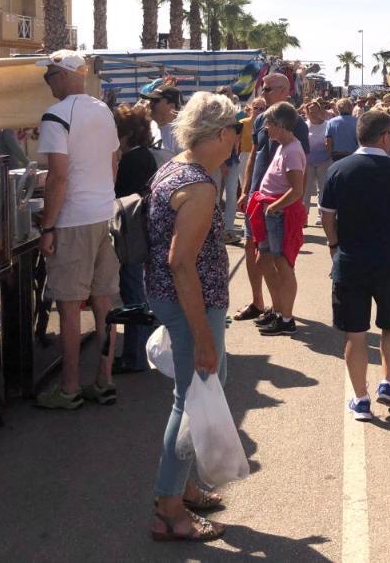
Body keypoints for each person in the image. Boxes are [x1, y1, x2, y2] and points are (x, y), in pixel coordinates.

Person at [145, 92, 240, 543]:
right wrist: (203, 334)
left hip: (177, 300)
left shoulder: (177, 167)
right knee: (193, 398)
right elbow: (181, 262)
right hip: (191, 305)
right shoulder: (198, 186)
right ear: (220, 134)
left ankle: (180, 487)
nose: (238, 138)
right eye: (235, 131)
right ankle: (169, 508)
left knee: (190, 393)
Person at [320, 110, 390, 421]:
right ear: (385, 137)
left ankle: (361, 399)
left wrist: (334, 245)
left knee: (355, 334)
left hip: (350, 261)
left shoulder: (338, 169)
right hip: (388, 262)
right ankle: (388, 383)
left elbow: (327, 215)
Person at [34, 50, 121, 409]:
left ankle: (68, 387)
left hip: (74, 220)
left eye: (49, 75)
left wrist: (48, 226)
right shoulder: (102, 110)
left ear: (65, 75)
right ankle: (103, 380)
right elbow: (114, 160)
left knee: (69, 307)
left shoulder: (57, 115)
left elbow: (58, 176)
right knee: (103, 303)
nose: (48, 82)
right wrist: (103, 194)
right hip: (106, 215)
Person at [234, 74, 310, 323]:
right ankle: (261, 303)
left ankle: (281, 310)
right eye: (262, 88)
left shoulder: (292, 122)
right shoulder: (262, 120)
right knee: (255, 249)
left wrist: (296, 204)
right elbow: (254, 155)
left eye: (268, 88)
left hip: (278, 203)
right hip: (259, 197)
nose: (263, 92)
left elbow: (301, 169)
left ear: (285, 90)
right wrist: (246, 190)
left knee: (280, 260)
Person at [245, 102, 306, 336]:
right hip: (271, 212)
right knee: (264, 259)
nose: (266, 129)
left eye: (269, 124)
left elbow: (297, 190)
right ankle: (278, 310)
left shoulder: (291, 150)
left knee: (283, 264)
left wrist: (274, 207)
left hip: (278, 214)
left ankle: (286, 318)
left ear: (280, 125)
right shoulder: (284, 146)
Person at [114, 104, 158, 198]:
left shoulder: (131, 161)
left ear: (129, 134)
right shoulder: (145, 154)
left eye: (117, 133)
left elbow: (122, 195)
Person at [302, 101, 332, 225]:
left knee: (323, 189)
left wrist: (329, 156)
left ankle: (321, 216)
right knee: (305, 190)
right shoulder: (304, 126)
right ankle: (304, 217)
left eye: (315, 111)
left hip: (324, 161)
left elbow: (331, 142)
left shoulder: (327, 125)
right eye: (310, 111)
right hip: (307, 163)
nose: (313, 114)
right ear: (307, 113)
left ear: (321, 111)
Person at [145, 86, 183, 158]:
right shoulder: (149, 127)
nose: (150, 104)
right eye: (150, 100)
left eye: (155, 101)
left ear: (171, 106)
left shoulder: (181, 135)